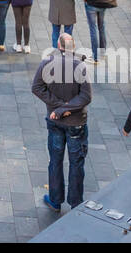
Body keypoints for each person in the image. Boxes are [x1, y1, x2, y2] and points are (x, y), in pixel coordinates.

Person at [32, 33, 91, 212]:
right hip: (76, 124)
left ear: (58, 45)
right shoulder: (80, 66)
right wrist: (65, 107)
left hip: (55, 121)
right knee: (76, 163)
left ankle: (55, 200)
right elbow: (86, 96)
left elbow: (37, 88)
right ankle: (75, 202)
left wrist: (57, 108)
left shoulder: (47, 63)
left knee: (55, 160)